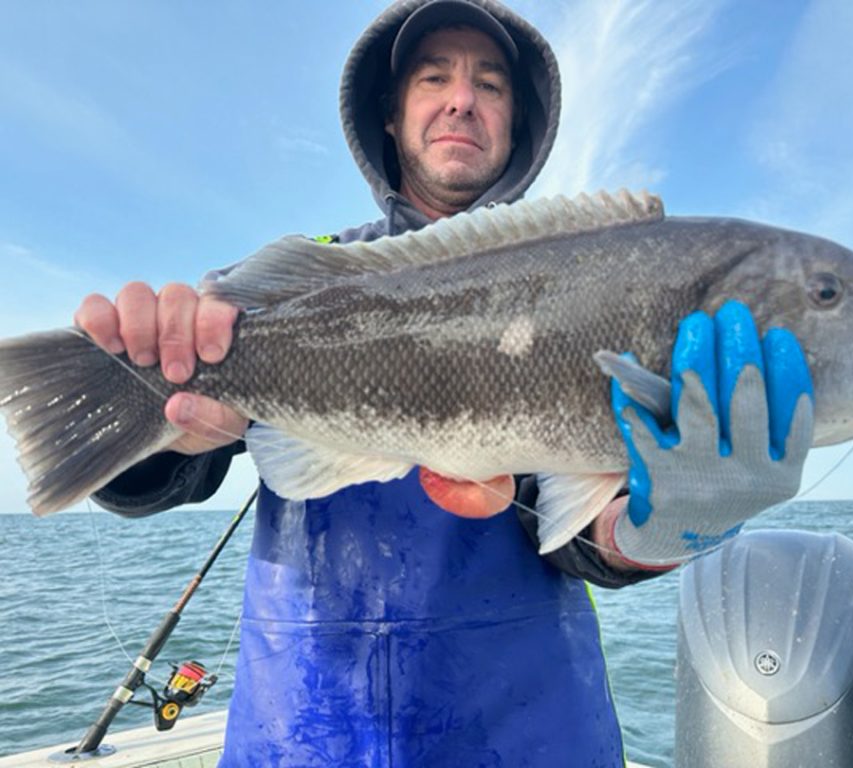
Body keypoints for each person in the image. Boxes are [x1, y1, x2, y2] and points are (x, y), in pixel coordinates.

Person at [74, 1, 813, 765]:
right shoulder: (295, 276)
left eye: (491, 85)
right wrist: (165, 427)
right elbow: (152, 480)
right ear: (390, 117)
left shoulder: (588, 283)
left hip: (527, 724)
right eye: (434, 78)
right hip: (301, 723)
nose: (462, 98)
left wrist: (671, 521)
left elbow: (577, 529)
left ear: (517, 124)